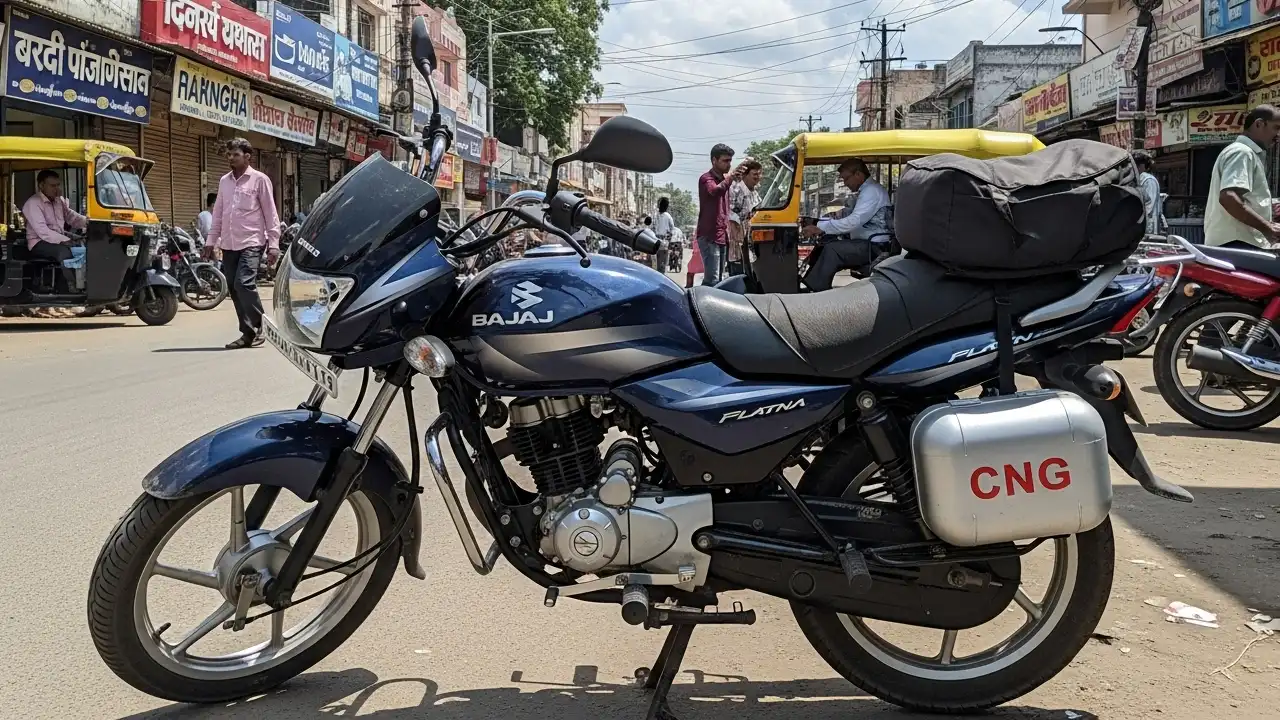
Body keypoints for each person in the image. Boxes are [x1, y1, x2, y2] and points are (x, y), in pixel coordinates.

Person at [206, 138, 281, 349]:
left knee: (243, 283)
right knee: (234, 287)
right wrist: (211, 241)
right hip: (229, 243)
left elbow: (270, 213)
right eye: (229, 154)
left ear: (247, 157)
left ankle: (263, 326)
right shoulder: (224, 181)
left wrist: (274, 244)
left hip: (252, 241)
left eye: (235, 155)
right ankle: (248, 334)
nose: (231, 158)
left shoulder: (260, 180)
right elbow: (218, 213)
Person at [800, 158, 891, 291]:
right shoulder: (865, 191)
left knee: (832, 250)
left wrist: (819, 227)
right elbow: (846, 215)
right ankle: (810, 284)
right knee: (825, 243)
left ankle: (818, 291)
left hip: (874, 246)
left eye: (846, 178)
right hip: (864, 242)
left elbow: (853, 221)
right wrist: (818, 222)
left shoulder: (871, 191)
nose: (845, 183)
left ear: (858, 174)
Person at [1206, 104, 1280, 250]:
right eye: (1276, 128)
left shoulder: (1246, 153)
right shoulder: (1242, 152)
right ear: (1259, 124)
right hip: (1238, 244)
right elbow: (1229, 197)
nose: (1278, 135)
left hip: (1238, 243)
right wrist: (1267, 228)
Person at [697, 143, 748, 286]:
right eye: (725, 161)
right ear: (714, 160)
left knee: (718, 280)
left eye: (730, 161)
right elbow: (715, 191)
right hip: (709, 236)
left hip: (721, 235)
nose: (729, 164)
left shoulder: (725, 181)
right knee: (712, 279)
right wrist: (731, 177)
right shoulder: (706, 179)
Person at [22, 169, 87, 263]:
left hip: (58, 238)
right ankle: (68, 273)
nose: (56, 189)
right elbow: (43, 231)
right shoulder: (33, 203)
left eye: (58, 185)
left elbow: (71, 216)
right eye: (52, 186)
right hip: (39, 242)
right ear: (41, 185)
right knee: (64, 252)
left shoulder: (58, 201)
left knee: (83, 247)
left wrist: (88, 222)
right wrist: (65, 240)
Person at [727, 159, 763, 277]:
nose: (758, 177)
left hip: (749, 240)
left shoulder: (754, 193)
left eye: (759, 174)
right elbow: (731, 214)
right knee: (738, 276)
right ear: (745, 175)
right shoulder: (736, 190)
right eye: (755, 174)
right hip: (737, 240)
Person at [1132, 151, 1164, 236]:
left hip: (1148, 225)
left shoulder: (1148, 180)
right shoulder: (1138, 178)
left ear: (1141, 165)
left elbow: (1149, 205)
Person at [653, 197, 675, 274]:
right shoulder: (667, 216)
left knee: (657, 262)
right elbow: (672, 229)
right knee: (662, 262)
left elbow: (652, 227)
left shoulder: (655, 215)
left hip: (655, 241)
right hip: (662, 242)